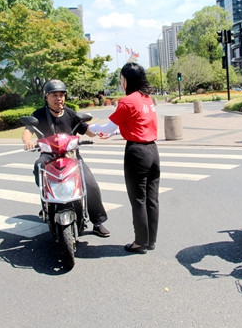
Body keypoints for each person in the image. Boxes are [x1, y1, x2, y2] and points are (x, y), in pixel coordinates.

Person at [22, 79, 110, 238]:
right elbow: (28, 131)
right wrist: (27, 141)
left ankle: (97, 222)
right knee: (38, 166)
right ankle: (48, 200)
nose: (59, 98)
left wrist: (99, 133)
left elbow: (87, 129)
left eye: (61, 95)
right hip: (49, 156)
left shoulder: (70, 114)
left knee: (90, 184)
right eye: (54, 95)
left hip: (71, 155)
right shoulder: (39, 114)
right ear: (46, 97)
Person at [88, 62, 160, 254]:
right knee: (152, 199)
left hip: (136, 153)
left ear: (127, 79)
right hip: (153, 151)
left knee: (138, 200)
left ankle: (139, 242)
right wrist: (114, 133)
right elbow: (137, 125)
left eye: (121, 78)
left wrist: (90, 129)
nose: (121, 82)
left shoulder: (127, 101)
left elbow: (108, 127)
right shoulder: (147, 99)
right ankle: (150, 240)